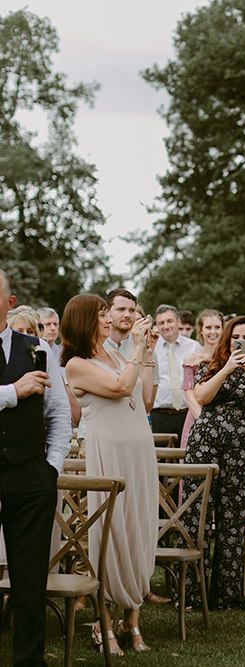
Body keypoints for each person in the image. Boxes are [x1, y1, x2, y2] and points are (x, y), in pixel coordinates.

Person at [62, 294, 158, 654]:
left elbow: (144, 397)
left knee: (139, 527)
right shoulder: (76, 364)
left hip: (139, 450)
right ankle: (103, 623)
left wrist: (145, 352)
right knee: (112, 533)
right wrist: (135, 348)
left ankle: (132, 619)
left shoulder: (119, 355)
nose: (108, 319)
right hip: (110, 454)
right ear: (84, 321)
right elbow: (119, 388)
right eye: (102, 314)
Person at [0, 270, 71, 666]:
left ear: (10, 304)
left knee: (29, 579)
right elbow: (19, 393)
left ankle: (29, 660)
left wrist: (52, 467)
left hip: (30, 473)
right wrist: (13, 392)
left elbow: (59, 412)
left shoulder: (38, 349)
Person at [182, 315, 245, 609]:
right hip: (206, 442)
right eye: (237, 337)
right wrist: (228, 368)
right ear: (227, 339)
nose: (241, 342)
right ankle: (193, 594)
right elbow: (203, 397)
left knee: (232, 519)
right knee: (198, 514)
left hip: (240, 448)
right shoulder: (210, 365)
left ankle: (226, 594)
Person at [151, 304, 201, 444]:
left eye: (169, 321)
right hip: (159, 414)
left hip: (187, 412)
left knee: (186, 458)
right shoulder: (151, 348)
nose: (165, 326)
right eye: (161, 323)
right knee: (160, 460)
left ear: (178, 322)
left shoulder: (194, 347)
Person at [104, 289, 158, 412]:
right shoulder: (96, 346)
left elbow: (147, 404)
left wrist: (146, 354)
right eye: (121, 309)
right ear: (107, 312)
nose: (127, 315)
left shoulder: (147, 348)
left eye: (132, 310)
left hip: (135, 422)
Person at [180, 309, 224, 449]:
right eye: (208, 327)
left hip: (224, 419)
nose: (213, 332)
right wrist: (203, 420)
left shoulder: (228, 360)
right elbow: (188, 394)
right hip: (196, 418)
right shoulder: (191, 359)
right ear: (201, 331)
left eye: (217, 327)